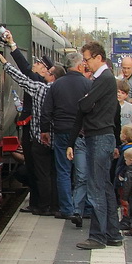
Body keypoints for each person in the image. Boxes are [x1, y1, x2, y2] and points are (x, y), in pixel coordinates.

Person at [66, 41, 122, 250]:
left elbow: (84, 105)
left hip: (98, 137)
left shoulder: (104, 79)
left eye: (88, 59)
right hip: (102, 136)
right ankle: (113, 233)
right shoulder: (103, 79)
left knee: (96, 188)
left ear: (99, 57)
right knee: (105, 188)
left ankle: (98, 236)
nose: (86, 64)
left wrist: (86, 101)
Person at [0, 30, 56, 215]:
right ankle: (37, 202)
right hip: (33, 130)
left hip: (36, 131)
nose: (35, 65)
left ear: (45, 70)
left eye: (39, 64)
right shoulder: (40, 81)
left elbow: (23, 70)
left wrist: (9, 53)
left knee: (38, 170)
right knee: (34, 168)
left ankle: (42, 203)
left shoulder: (38, 82)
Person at [46, 51, 91, 225]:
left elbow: (47, 110)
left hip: (61, 132)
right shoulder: (88, 85)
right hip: (81, 133)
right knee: (82, 172)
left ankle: (66, 208)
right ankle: (82, 208)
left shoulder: (56, 85)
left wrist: (45, 130)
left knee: (63, 171)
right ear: (80, 66)